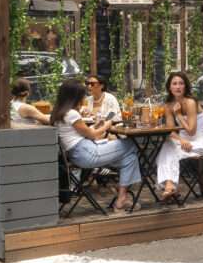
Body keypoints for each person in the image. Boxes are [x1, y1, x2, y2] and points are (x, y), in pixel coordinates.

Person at [51, 79, 141, 212]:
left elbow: (86, 132)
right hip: (87, 154)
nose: (83, 98)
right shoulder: (72, 114)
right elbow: (92, 135)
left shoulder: (60, 113)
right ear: (74, 97)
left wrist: (98, 125)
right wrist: (107, 124)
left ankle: (121, 199)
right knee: (131, 144)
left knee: (130, 158)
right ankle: (122, 189)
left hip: (79, 154)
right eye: (82, 95)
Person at [155, 72, 203, 202]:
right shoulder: (168, 105)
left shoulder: (191, 102)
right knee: (168, 146)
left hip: (197, 143)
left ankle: (169, 186)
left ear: (185, 86)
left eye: (181, 83)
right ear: (169, 87)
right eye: (174, 84)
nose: (178, 87)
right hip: (182, 142)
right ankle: (170, 186)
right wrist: (181, 140)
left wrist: (178, 115)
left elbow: (191, 131)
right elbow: (171, 131)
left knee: (168, 150)